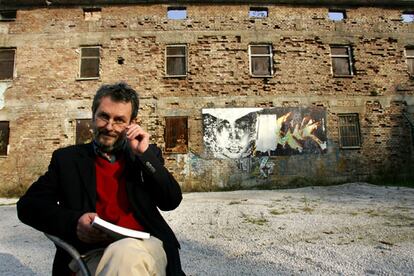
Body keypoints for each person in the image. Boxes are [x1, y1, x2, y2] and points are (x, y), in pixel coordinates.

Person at [17, 82, 184, 276]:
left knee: (126, 253)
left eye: (119, 120)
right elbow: (28, 206)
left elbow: (171, 201)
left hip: (146, 247)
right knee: (122, 258)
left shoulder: (145, 155)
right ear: (93, 115)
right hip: (90, 255)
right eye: (104, 116)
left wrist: (143, 155)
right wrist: (74, 223)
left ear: (132, 124)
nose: (109, 127)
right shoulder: (67, 160)